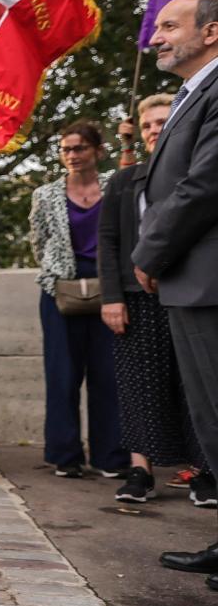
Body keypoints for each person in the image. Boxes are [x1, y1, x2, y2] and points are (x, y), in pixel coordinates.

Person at [135, 0, 218, 591]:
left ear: (211, 32)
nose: (155, 37)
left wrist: (148, 251)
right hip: (191, 282)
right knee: (209, 419)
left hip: (206, 280)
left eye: (170, 25)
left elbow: (201, 187)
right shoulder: (194, 95)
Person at [101, 94, 210, 505]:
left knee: (195, 386)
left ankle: (204, 472)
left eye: (162, 122)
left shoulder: (198, 175)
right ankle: (140, 471)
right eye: (147, 125)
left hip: (190, 293)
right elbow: (108, 241)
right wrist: (112, 297)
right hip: (135, 299)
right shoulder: (124, 180)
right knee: (138, 386)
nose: (153, 131)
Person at [30, 120, 124, 478]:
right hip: (60, 292)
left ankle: (110, 456)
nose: (72, 155)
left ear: (98, 151)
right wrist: (58, 272)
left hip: (109, 289)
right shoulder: (45, 194)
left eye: (80, 148)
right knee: (62, 374)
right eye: (66, 149)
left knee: (107, 373)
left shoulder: (115, 186)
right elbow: (39, 242)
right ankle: (65, 455)